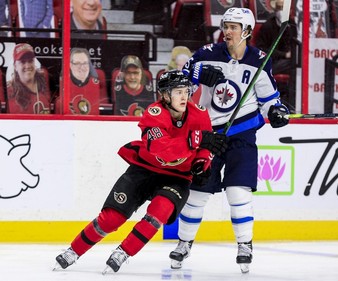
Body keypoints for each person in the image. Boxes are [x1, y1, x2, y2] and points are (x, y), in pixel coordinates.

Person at [53, 70, 228, 274]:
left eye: (186, 91)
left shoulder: (198, 113)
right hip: (144, 170)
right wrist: (195, 140)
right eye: (178, 92)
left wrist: (201, 164)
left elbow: (205, 149)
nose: (184, 96)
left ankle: (123, 252)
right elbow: (161, 149)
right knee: (111, 218)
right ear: (165, 95)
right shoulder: (153, 114)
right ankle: (73, 251)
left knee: (159, 211)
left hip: (177, 177)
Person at [168, 7, 290, 274]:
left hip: (242, 134)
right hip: (209, 135)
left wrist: (276, 112)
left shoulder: (259, 59)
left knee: (238, 192)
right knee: (198, 194)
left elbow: (268, 99)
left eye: (234, 27)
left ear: (246, 31)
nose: (227, 31)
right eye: (226, 26)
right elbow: (179, 79)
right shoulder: (208, 54)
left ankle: (245, 244)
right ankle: (184, 243)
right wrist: (198, 72)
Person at [255, 0, 297, 110]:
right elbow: (262, 49)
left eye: (284, 9)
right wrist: (284, 55)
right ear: (275, 10)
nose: (282, 12)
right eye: (279, 9)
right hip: (271, 63)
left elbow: (294, 44)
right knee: (293, 64)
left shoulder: (291, 25)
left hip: (288, 63)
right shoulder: (268, 26)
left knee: (296, 64)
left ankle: (291, 102)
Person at [6, 43, 51, 114]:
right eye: (22, 62)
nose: (27, 66)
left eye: (30, 61)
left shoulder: (44, 82)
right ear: (15, 66)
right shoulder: (9, 91)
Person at [55, 48, 101, 115]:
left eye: (85, 63)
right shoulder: (65, 82)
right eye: (77, 63)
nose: (82, 67)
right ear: (70, 65)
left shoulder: (94, 84)